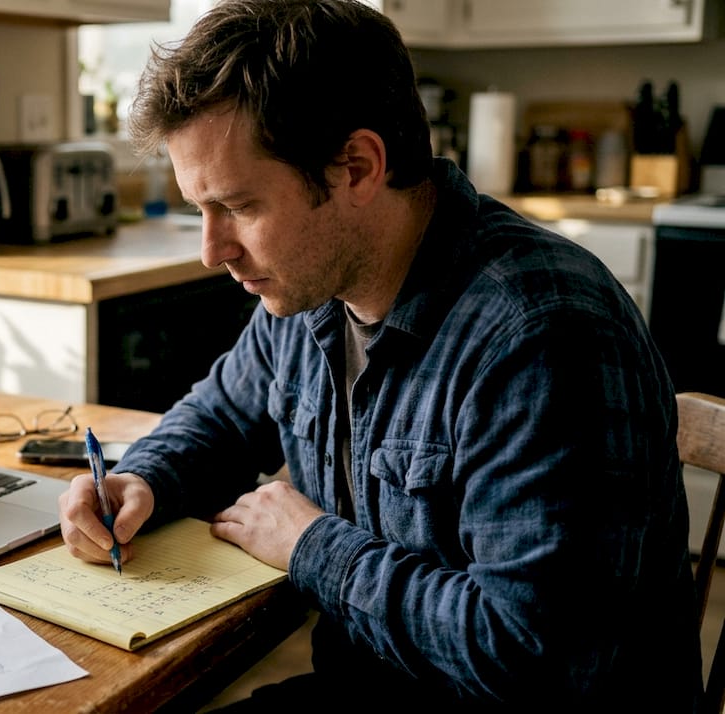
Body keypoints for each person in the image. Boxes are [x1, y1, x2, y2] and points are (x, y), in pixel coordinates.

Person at [56, 1, 703, 710]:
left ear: (357, 167)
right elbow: (219, 415)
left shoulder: (541, 333)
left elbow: (531, 656)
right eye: (200, 209)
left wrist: (313, 549)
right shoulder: (311, 289)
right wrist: (139, 478)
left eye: (238, 207)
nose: (213, 250)